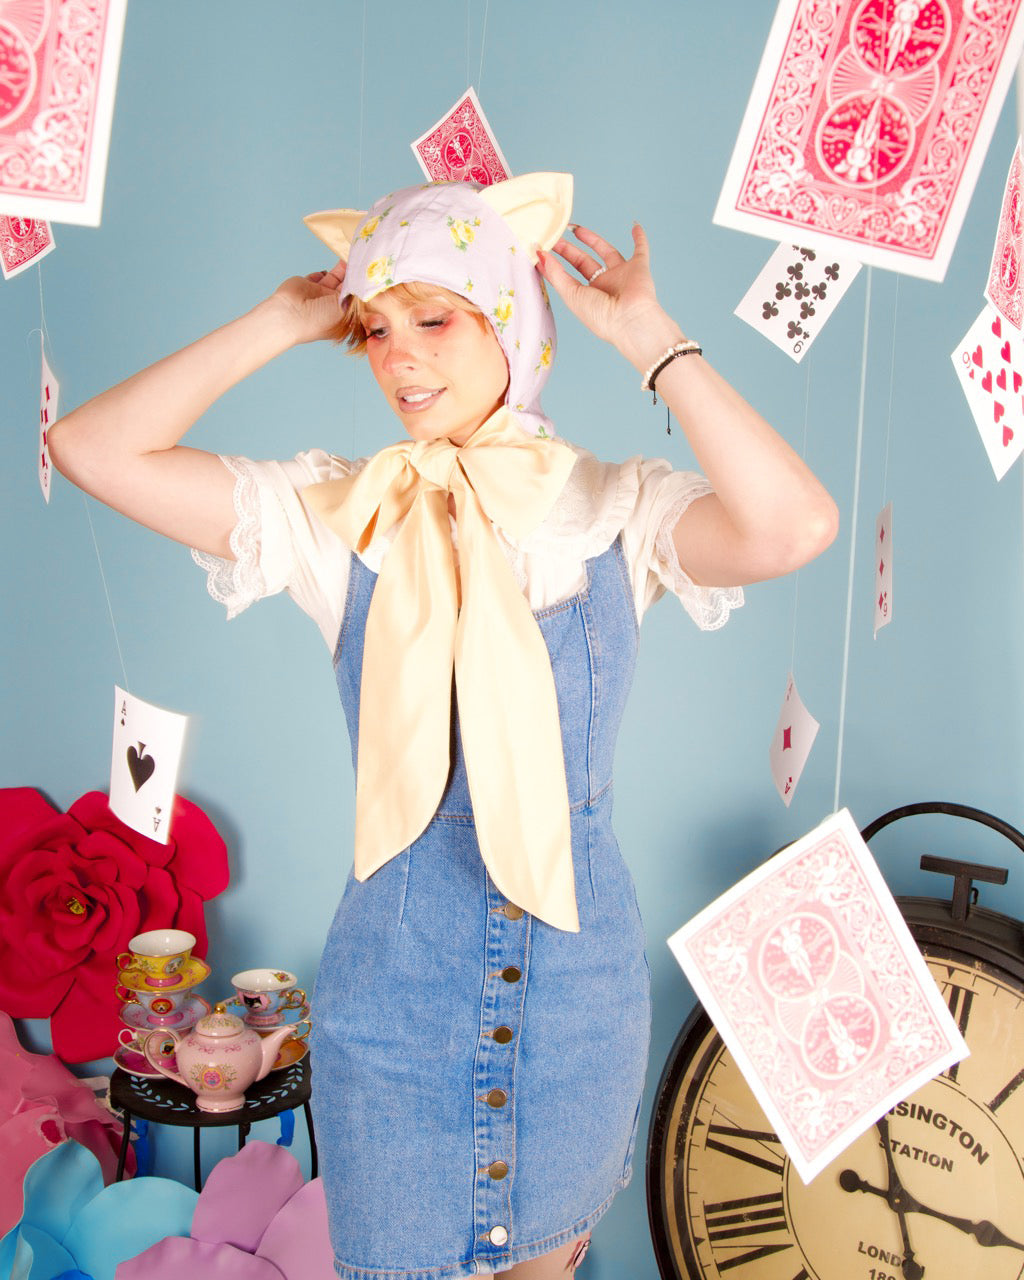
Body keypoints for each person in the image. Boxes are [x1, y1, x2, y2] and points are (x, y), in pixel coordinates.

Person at [48, 173, 838, 1280]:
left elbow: (795, 522)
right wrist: (285, 318)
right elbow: (92, 449)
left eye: (435, 317)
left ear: (512, 318)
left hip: (576, 1003)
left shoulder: (622, 510)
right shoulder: (341, 514)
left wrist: (653, 338)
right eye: (373, 328)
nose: (397, 356)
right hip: (394, 1011)